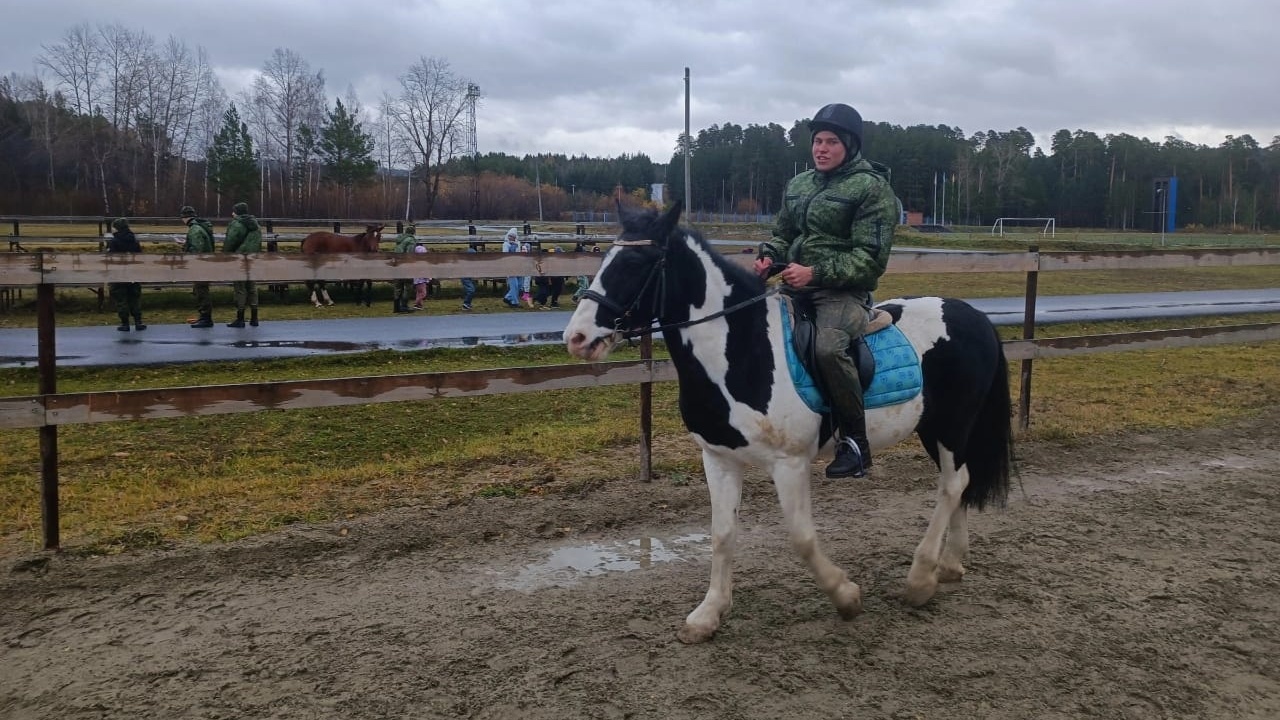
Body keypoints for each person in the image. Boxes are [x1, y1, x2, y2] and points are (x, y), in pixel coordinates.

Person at [753, 102, 898, 479]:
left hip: (843, 293)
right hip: (793, 285)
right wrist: (769, 257)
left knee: (828, 348)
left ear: (850, 145)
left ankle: (855, 443)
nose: (821, 148)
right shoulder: (799, 185)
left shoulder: (872, 189)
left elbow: (870, 258)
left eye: (831, 141)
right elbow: (783, 235)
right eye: (817, 141)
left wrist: (815, 274)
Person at [222, 201, 263, 328]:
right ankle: (254, 318)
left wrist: (225, 255)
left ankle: (240, 318)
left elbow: (231, 241)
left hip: (239, 259)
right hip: (252, 259)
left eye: (234, 211)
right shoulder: (256, 224)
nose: (232, 213)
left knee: (240, 288)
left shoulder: (237, 224)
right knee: (252, 287)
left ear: (237, 212)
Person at [106, 217, 145, 331]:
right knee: (134, 297)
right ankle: (138, 321)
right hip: (133, 273)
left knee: (121, 299)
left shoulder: (114, 241)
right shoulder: (134, 240)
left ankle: (125, 323)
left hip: (119, 274)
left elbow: (110, 258)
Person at [180, 205, 216, 328]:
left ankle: (206, 318)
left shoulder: (194, 229)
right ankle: (203, 316)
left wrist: (187, 252)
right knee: (200, 290)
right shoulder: (199, 227)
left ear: (185, 218)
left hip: (201, 265)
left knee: (201, 291)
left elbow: (197, 249)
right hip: (205, 263)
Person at [391, 222, 418, 313]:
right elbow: (409, 254)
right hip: (405, 266)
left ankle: (396, 307)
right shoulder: (411, 240)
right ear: (413, 232)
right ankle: (404, 306)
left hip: (397, 265)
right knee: (408, 285)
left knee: (398, 286)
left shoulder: (400, 240)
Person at [501, 227, 521, 308]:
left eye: (512, 236)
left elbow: (519, 254)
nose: (510, 237)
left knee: (519, 285)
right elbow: (505, 255)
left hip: (517, 266)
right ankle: (514, 302)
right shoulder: (506, 244)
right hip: (509, 267)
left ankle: (508, 297)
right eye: (509, 236)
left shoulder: (518, 244)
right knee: (514, 285)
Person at [412, 239, 430, 310]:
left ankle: (419, 305)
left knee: (419, 292)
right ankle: (416, 304)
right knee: (423, 293)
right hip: (421, 278)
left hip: (416, 278)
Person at [459, 243, 478, 311]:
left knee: (471, 290)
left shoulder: (473, 262)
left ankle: (468, 304)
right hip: (465, 278)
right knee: (471, 290)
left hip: (469, 277)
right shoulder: (465, 262)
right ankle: (466, 304)